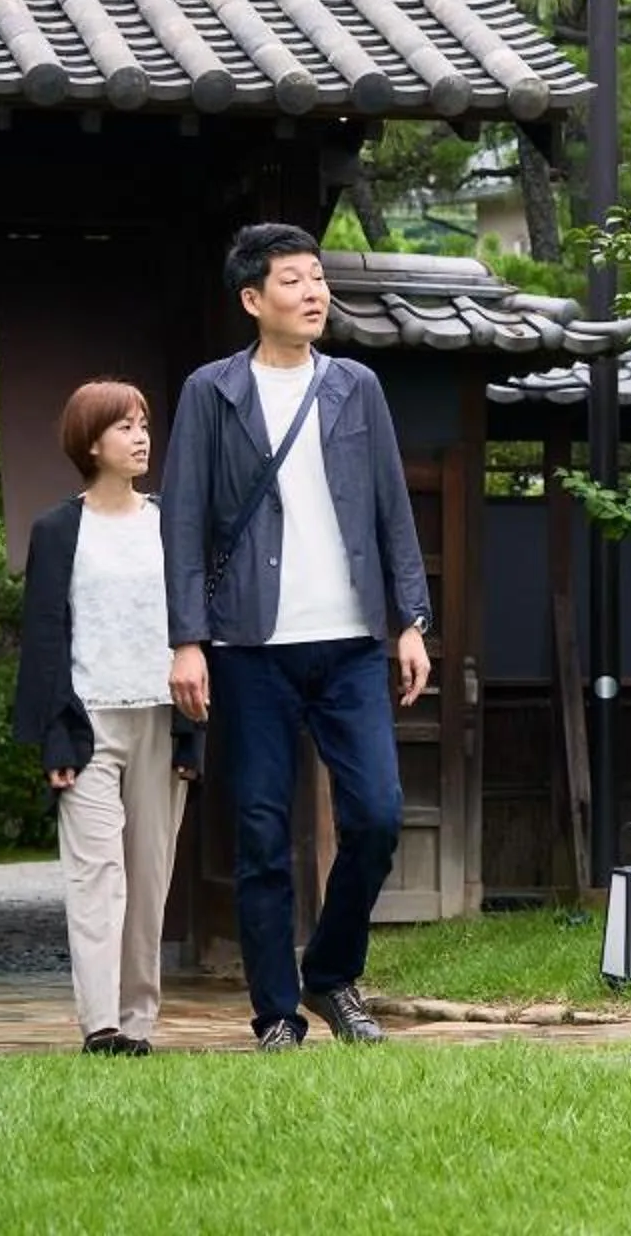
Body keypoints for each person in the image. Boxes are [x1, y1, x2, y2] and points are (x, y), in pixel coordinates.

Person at [158, 223, 434, 1052]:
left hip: (350, 641)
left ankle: (332, 972)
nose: (314, 292)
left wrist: (412, 621)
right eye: (294, 281)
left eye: (318, 278)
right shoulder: (213, 392)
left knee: (378, 816)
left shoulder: (357, 386)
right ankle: (278, 1011)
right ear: (253, 299)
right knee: (262, 831)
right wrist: (187, 639)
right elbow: (185, 521)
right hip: (250, 647)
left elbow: (393, 506)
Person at [10, 378, 201, 1056]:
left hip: (161, 714)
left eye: (144, 422)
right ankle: (101, 1025)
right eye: (125, 425)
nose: (142, 435)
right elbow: (43, 634)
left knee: (149, 878)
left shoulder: (170, 521)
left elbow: (194, 630)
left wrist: (192, 734)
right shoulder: (58, 530)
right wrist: (53, 736)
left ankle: (139, 1021)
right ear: (91, 442)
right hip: (87, 720)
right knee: (96, 876)